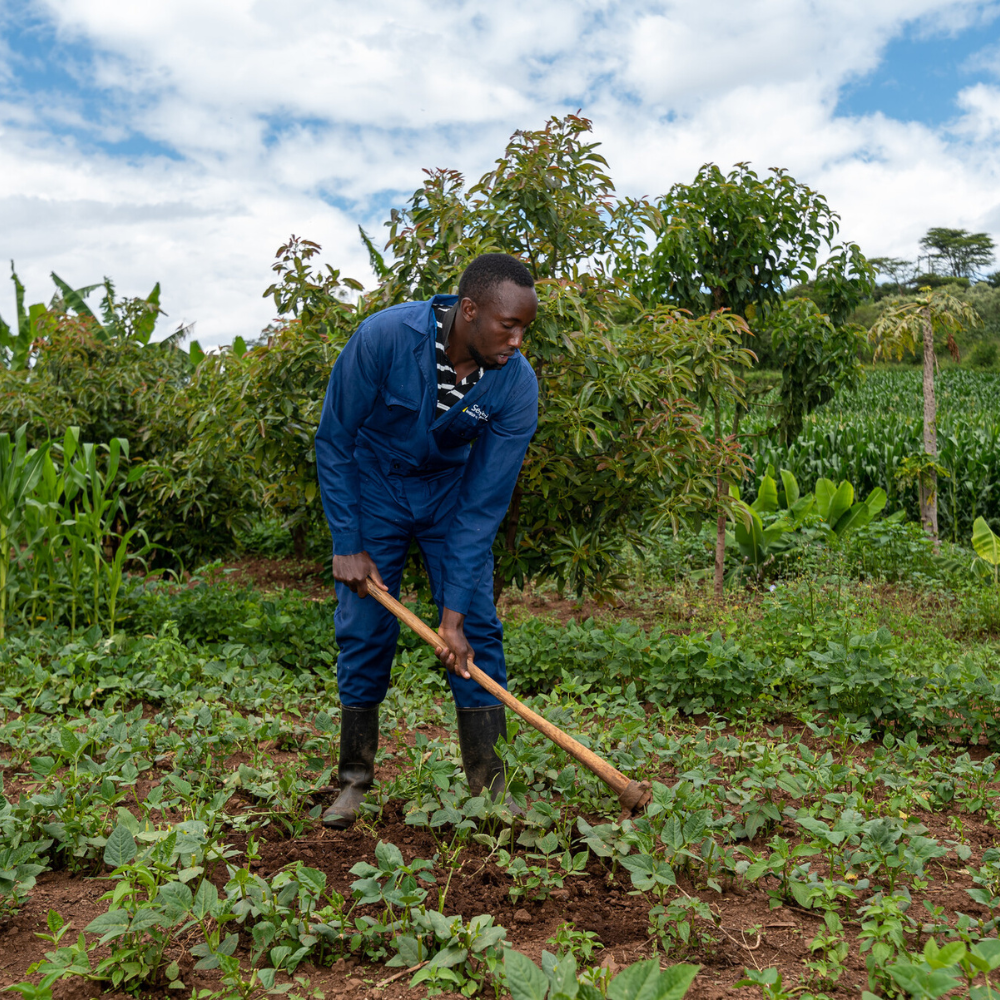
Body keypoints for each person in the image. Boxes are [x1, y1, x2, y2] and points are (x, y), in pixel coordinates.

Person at [314, 253, 538, 828]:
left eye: (525, 329)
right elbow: (335, 439)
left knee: (478, 633)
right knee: (364, 629)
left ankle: (489, 786)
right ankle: (354, 781)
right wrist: (348, 541)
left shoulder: (514, 387)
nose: (516, 340)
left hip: (449, 498)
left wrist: (455, 616)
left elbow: (482, 508)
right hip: (374, 488)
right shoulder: (384, 338)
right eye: (506, 325)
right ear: (468, 310)